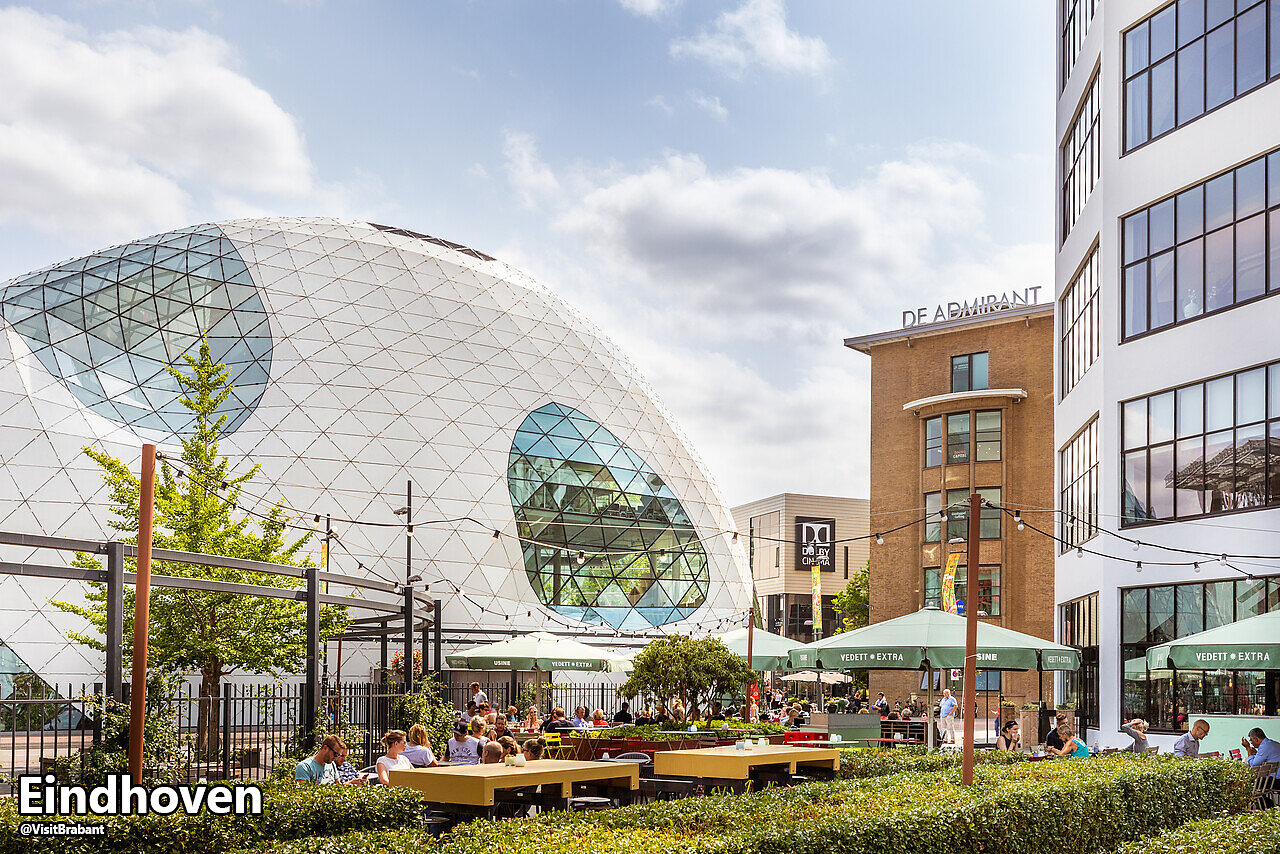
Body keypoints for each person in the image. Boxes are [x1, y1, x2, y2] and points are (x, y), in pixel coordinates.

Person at [295, 735, 367, 785]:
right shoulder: (305, 767)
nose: (336, 758)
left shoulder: (331, 764)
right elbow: (304, 796)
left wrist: (350, 784)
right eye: (335, 754)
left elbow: (337, 788)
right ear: (325, 748)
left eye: (338, 755)